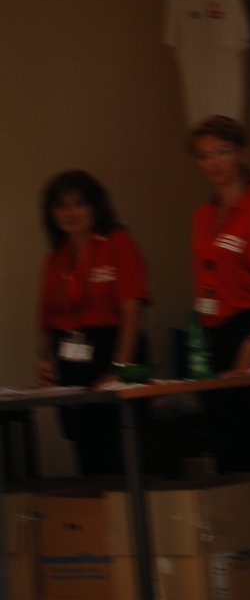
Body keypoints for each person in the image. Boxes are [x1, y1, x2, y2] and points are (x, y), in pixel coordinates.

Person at [37, 170, 150, 476]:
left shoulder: (117, 242)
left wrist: (120, 369)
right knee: (88, 459)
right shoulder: (56, 257)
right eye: (61, 206)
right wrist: (48, 363)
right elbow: (46, 321)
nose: (70, 213)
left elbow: (132, 312)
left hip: (118, 353)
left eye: (78, 204)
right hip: (72, 364)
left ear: (95, 207)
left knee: (123, 453)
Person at [189, 115, 250, 472]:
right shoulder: (203, 215)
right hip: (214, 334)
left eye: (221, 152)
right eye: (203, 155)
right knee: (225, 443)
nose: (213, 162)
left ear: (240, 153)